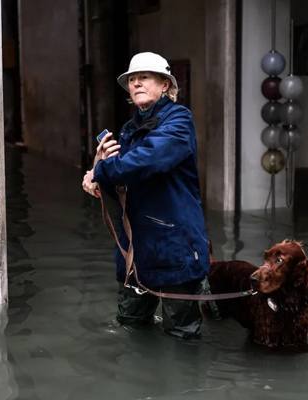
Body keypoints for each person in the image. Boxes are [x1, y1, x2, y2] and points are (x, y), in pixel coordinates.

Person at [81, 52, 209, 339]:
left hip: (175, 247)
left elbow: (148, 160)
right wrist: (97, 177)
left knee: (182, 337)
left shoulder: (179, 120)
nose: (136, 83)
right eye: (132, 80)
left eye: (144, 78)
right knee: (130, 326)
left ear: (165, 85)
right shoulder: (128, 130)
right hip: (136, 252)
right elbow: (124, 182)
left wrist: (102, 171)